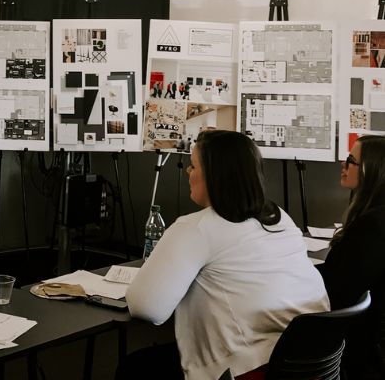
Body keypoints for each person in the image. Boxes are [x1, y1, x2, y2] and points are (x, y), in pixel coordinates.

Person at [120, 130, 329, 380]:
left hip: (246, 369)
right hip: (306, 361)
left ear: (214, 176)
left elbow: (147, 307)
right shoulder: (279, 217)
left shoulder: (196, 227)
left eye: (193, 166)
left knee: (135, 369)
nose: (188, 172)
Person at [319, 135, 385, 378]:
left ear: (370, 170)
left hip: (360, 348)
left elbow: (338, 289)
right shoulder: (373, 215)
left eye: (350, 160)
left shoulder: (372, 226)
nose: (343, 165)